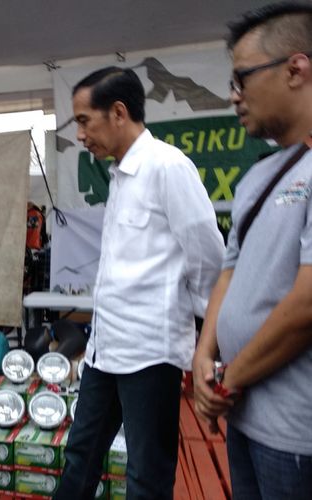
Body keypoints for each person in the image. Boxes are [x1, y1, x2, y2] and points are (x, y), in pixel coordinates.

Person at [55, 67, 224, 499]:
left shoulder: (167, 167)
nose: (80, 135)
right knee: (80, 460)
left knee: (146, 475)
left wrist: (208, 336)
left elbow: (207, 255)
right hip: (106, 350)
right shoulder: (120, 175)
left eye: (83, 120)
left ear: (117, 112)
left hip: (150, 354)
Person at [192, 3, 312, 497]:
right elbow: (229, 272)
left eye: (242, 78)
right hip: (243, 416)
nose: (234, 96)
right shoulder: (260, 175)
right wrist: (203, 357)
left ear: (295, 68)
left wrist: (225, 381)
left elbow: (306, 306)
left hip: (296, 435)